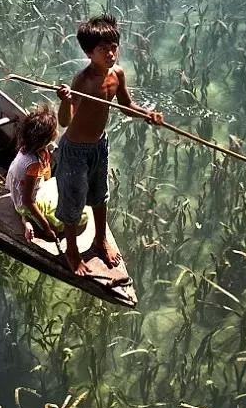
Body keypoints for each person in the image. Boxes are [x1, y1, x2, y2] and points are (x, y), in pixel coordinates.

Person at [55, 14, 164, 277]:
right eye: (103, 49)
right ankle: (72, 251)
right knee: (73, 200)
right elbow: (64, 121)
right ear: (89, 52)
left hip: (99, 146)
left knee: (100, 195)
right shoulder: (82, 81)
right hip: (75, 150)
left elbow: (126, 106)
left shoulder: (117, 75)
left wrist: (147, 115)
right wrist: (64, 99)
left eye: (114, 47)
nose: (111, 53)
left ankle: (100, 240)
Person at [5, 104, 87, 244]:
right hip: (25, 202)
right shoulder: (33, 165)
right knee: (79, 215)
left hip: (25, 192)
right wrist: (47, 228)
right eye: (54, 129)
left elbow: (47, 175)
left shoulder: (30, 147)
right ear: (46, 139)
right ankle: (28, 219)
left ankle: (27, 219)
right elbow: (28, 201)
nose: (57, 131)